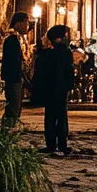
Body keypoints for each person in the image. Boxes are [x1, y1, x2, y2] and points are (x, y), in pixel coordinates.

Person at [31, 25, 75, 155]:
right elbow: (69, 71)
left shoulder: (45, 54)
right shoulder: (65, 53)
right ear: (59, 39)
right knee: (61, 116)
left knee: (50, 116)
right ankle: (62, 143)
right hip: (60, 88)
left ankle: (51, 143)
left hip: (49, 89)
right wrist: (70, 85)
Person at [1, 12, 29, 126]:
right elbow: (13, 61)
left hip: (15, 77)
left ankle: (10, 126)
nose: (27, 26)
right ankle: (8, 128)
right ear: (18, 24)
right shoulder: (12, 39)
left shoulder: (16, 39)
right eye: (25, 22)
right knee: (13, 105)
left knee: (15, 104)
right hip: (13, 77)